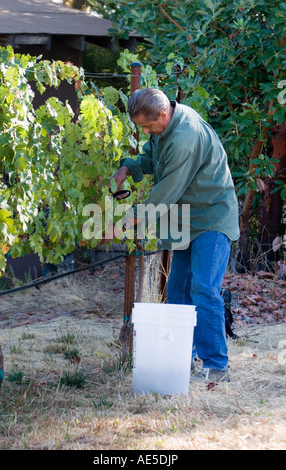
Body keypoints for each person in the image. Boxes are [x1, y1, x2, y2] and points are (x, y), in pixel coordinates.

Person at [110, 88, 240, 383]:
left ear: (164, 115)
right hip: (185, 219)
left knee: (204, 288)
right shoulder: (163, 126)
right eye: (141, 127)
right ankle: (182, 359)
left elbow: (167, 189)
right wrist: (127, 168)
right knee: (179, 289)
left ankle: (216, 366)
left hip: (211, 217)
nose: (145, 132)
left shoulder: (185, 137)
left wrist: (132, 219)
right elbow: (151, 157)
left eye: (147, 126)